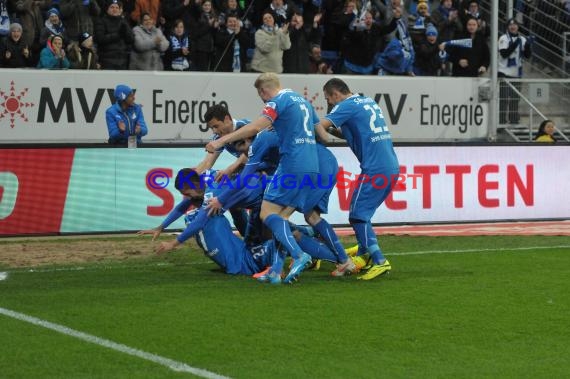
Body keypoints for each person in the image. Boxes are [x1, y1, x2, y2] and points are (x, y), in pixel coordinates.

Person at [205, 73, 352, 284]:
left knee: (268, 214)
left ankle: (301, 256)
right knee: (294, 218)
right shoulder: (301, 100)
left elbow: (254, 135)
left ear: (263, 91)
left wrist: (220, 144)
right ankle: (279, 269)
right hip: (316, 164)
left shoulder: (262, 136)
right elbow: (324, 135)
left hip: (293, 164)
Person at [315, 77, 400, 280]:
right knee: (362, 214)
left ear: (336, 94)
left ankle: (380, 260)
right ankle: (363, 256)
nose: (330, 104)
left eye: (329, 99)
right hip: (390, 166)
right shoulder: (367, 101)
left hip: (375, 169)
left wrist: (305, 125)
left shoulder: (346, 105)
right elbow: (356, 133)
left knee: (357, 215)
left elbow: (321, 127)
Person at [498, 18, 531, 125]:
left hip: (517, 74)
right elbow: (504, 53)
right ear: (507, 27)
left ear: (518, 26)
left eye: (515, 25)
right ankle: (501, 122)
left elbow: (527, 56)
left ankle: (513, 121)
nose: (513, 27)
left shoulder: (522, 39)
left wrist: (529, 46)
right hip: (504, 73)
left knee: (515, 99)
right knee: (503, 99)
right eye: (511, 25)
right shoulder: (503, 38)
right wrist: (516, 43)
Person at [94, 0, 134, 70]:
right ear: (107, 9)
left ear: (120, 10)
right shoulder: (101, 21)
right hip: (107, 60)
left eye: (117, 7)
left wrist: (126, 32)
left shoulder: (124, 22)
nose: (114, 9)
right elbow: (100, 39)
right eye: (112, 7)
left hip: (123, 60)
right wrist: (118, 35)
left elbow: (131, 39)